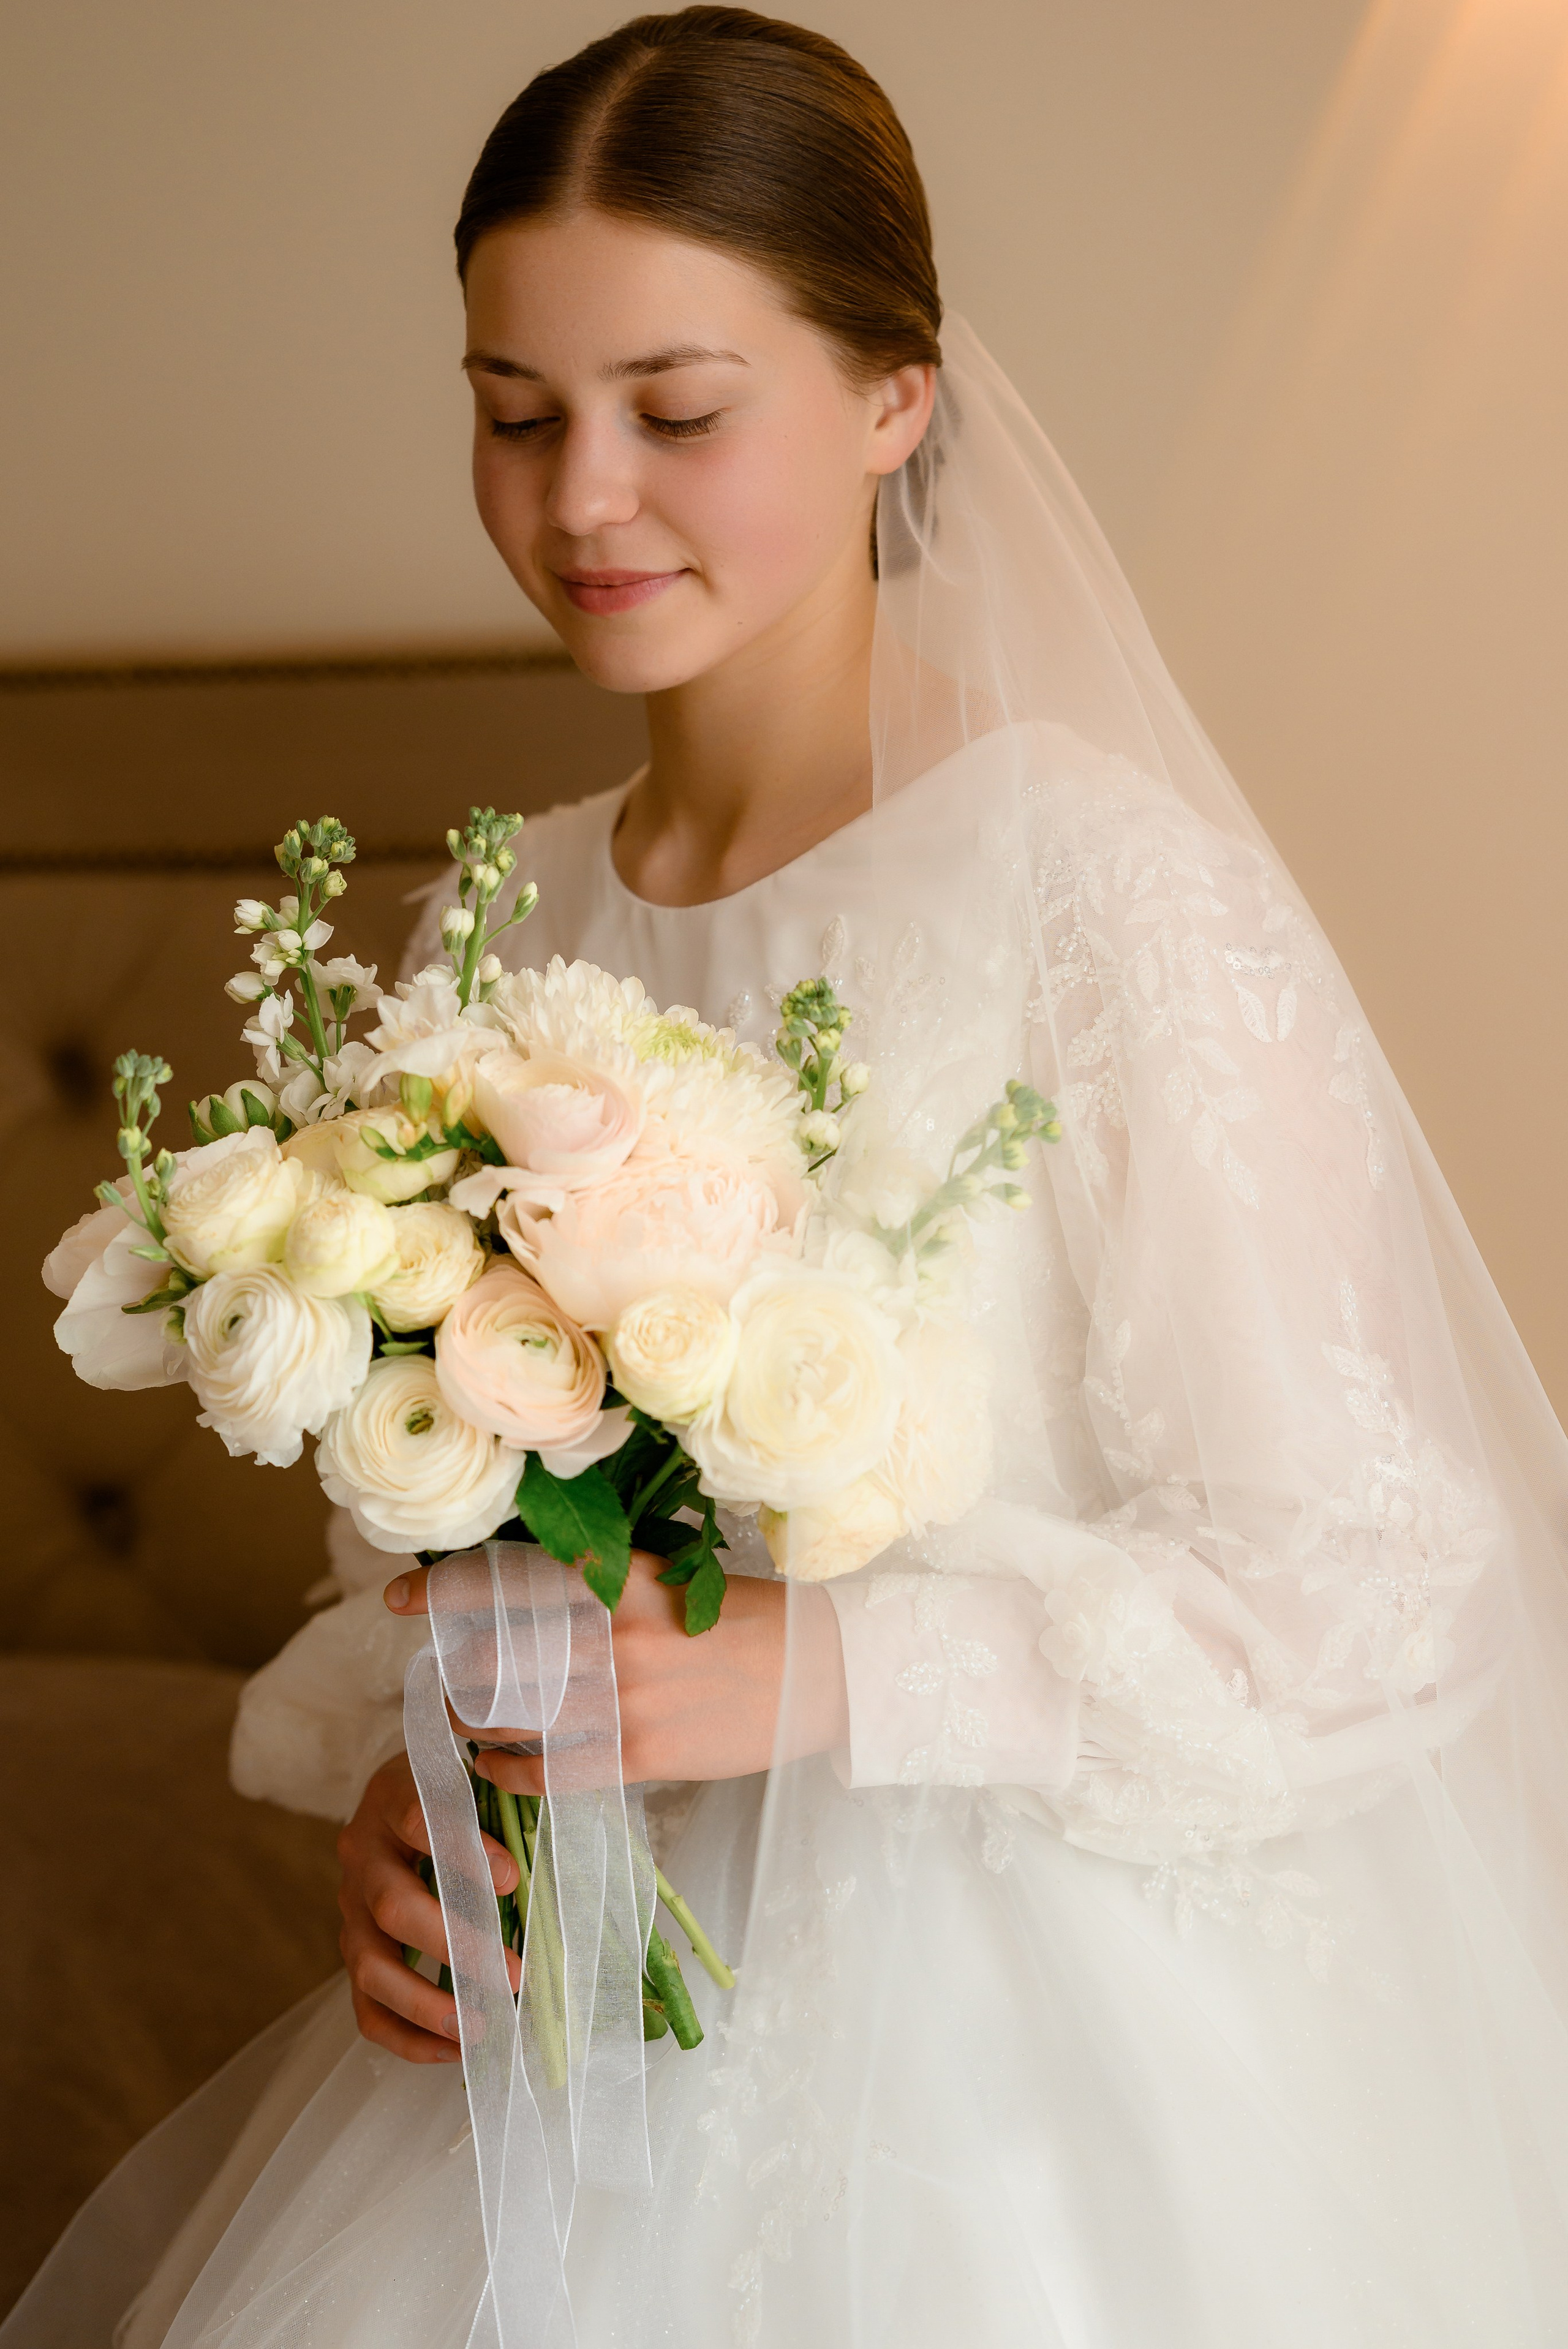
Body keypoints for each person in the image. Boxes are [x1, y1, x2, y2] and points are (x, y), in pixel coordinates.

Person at [10, 9, 1568, 2345]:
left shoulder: (1106, 896)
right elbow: (427, 1551)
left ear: (892, 400)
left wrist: (830, 1660)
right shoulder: (497, 925)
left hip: (1036, 2056)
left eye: (679, 409)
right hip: (574, 2028)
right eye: (513, 414)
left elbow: (1380, 1571)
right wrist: (420, 1815)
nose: (582, 501)